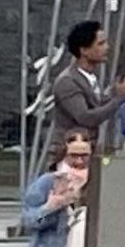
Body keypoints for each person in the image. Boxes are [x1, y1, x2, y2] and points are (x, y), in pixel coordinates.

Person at [43, 19, 115, 153]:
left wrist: (115, 94)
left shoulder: (90, 78)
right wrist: (119, 100)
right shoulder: (68, 81)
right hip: (67, 156)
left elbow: (97, 103)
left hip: (85, 152)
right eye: (100, 44)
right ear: (84, 50)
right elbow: (86, 117)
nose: (107, 48)